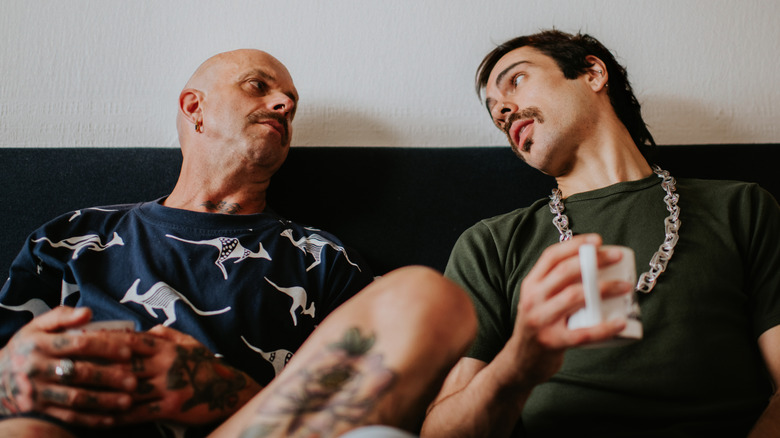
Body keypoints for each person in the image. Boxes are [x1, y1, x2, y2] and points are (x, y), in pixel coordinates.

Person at [0, 49, 476, 438]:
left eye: (290, 100)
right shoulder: (74, 236)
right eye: (258, 86)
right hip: (74, 425)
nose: (284, 105)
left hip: (245, 431)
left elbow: (360, 407)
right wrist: (13, 374)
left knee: (425, 295)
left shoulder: (320, 258)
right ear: (195, 108)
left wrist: (223, 388)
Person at [421, 30, 780, 437]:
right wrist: (518, 362)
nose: (502, 110)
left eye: (516, 80)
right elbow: (440, 432)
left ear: (592, 72)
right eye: (493, 111)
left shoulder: (741, 208)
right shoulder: (490, 244)